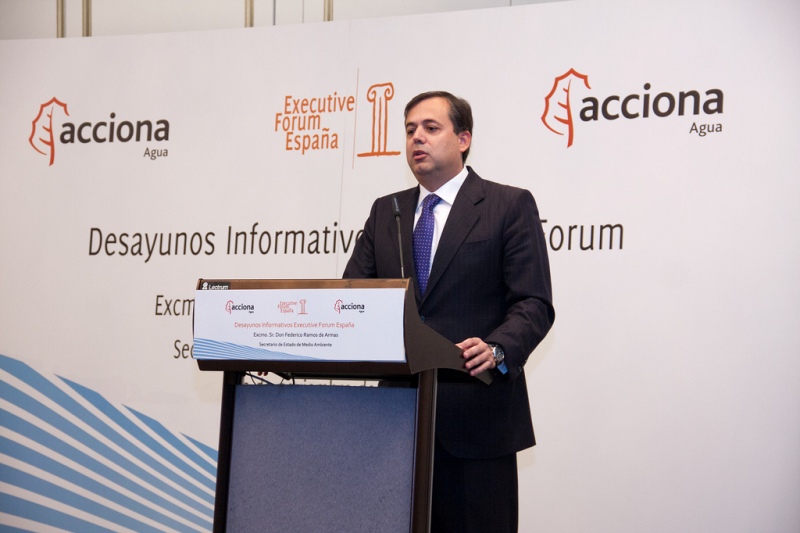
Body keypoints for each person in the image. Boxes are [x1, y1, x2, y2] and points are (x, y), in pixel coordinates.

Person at [343, 91, 555, 532]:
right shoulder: (387, 212)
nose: (416, 138)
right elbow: (352, 298)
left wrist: (498, 348)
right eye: (409, 130)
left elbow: (533, 302)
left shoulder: (507, 205)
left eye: (430, 128)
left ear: (463, 139)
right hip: (396, 423)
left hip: (478, 421)